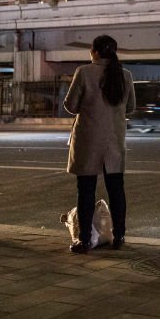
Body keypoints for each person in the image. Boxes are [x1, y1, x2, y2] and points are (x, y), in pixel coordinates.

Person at [64, 35, 135, 254]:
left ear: (94, 51)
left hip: (88, 140)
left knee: (85, 191)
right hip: (114, 141)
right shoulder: (125, 75)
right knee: (117, 190)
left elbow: (70, 105)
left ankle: (84, 240)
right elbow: (131, 107)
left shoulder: (84, 72)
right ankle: (119, 236)